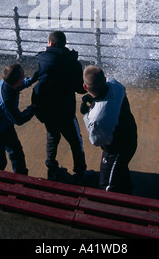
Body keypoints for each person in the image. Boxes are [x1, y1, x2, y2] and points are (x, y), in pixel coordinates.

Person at [31, 30, 87, 182]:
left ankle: (52, 169)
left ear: (50, 43)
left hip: (46, 111)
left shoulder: (42, 58)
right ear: (64, 44)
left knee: (52, 137)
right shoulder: (73, 63)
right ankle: (80, 173)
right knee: (75, 141)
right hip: (65, 112)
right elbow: (80, 89)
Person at [82, 65, 137, 194]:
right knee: (121, 169)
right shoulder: (115, 84)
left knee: (106, 186)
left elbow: (96, 140)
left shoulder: (96, 117)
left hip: (117, 150)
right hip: (131, 136)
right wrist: (95, 100)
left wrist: (87, 114)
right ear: (105, 79)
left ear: (85, 87)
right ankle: (129, 193)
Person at [0, 63, 35, 175]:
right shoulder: (6, 100)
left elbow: (20, 84)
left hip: (4, 124)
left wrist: (34, 79)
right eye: (23, 74)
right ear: (18, 79)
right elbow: (19, 119)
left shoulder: (8, 82)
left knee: (17, 153)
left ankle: (21, 179)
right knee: (0, 164)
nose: (25, 75)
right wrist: (34, 107)